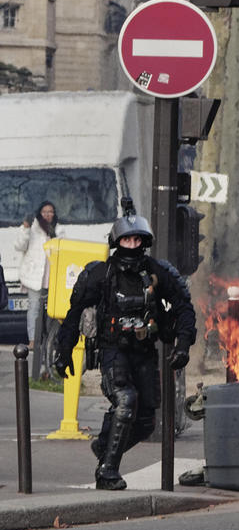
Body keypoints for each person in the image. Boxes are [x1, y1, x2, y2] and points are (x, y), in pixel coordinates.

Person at [54, 200, 196, 490]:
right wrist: (64, 351)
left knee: (146, 421)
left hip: (145, 353)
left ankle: (105, 447)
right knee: (126, 400)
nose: (131, 245)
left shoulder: (158, 272)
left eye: (136, 240)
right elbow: (74, 313)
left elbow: (184, 307)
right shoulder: (101, 274)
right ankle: (107, 472)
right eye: (126, 240)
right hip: (113, 350)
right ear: (116, 242)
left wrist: (182, 345)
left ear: (144, 242)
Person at [14, 201, 65, 348]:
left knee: (53, 310)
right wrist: (25, 229)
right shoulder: (33, 227)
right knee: (34, 307)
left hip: (53, 275)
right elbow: (19, 246)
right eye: (45, 212)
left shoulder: (59, 229)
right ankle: (33, 340)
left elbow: (64, 249)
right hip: (34, 275)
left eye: (50, 212)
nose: (47, 215)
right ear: (39, 213)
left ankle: (50, 340)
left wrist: (54, 235)